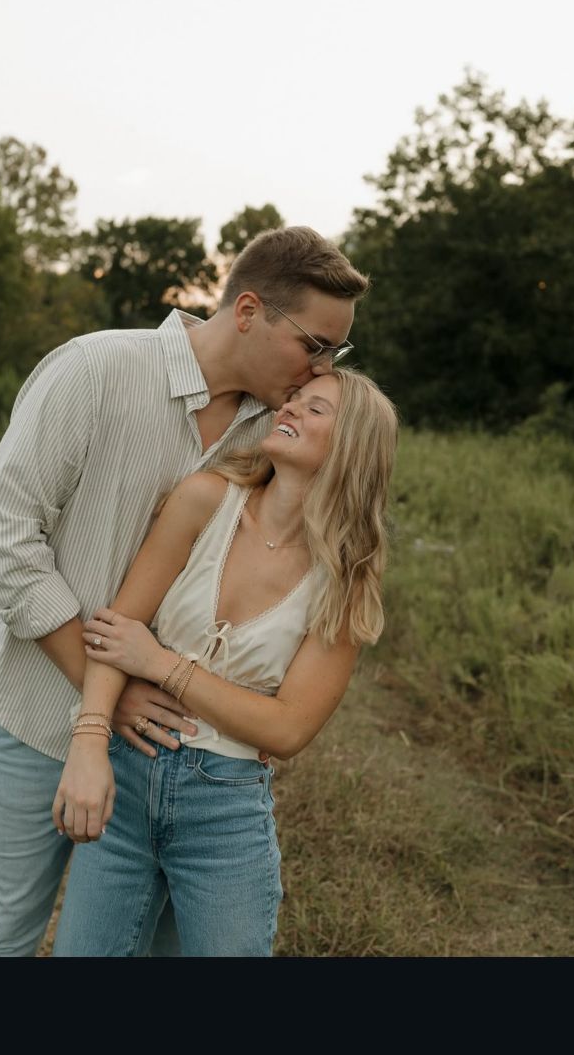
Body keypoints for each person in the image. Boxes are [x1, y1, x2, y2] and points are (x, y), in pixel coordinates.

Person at [0, 225, 369, 957]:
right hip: (38, 714)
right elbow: (5, 538)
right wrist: (106, 694)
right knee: (2, 940)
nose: (319, 370)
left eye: (334, 354)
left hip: (166, 757)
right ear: (249, 311)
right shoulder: (95, 370)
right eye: (314, 345)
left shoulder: (269, 429)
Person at [51, 366, 398, 957]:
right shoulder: (204, 500)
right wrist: (88, 743)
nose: (289, 408)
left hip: (225, 811)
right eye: (294, 398)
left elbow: (287, 729)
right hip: (127, 782)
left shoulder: (344, 578)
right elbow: (115, 635)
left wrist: (162, 665)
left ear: (353, 447)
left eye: (316, 409)